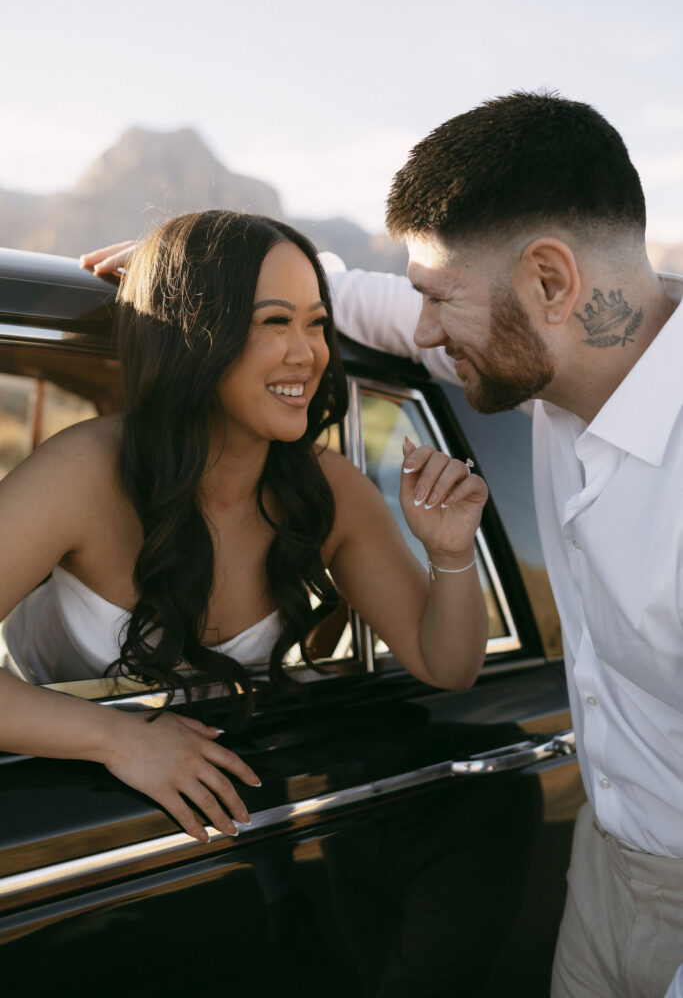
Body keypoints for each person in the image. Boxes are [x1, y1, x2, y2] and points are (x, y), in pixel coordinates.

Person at [292, 92, 683, 998]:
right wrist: (260, 274)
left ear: (550, 282)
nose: (423, 329)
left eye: (439, 297)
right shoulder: (549, 354)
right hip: (601, 868)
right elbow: (378, 307)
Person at [0, 209, 489, 846]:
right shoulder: (83, 473)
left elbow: (446, 665)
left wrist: (451, 554)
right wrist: (116, 737)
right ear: (195, 335)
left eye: (317, 324)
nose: (307, 353)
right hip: (56, 816)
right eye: (273, 322)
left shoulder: (329, 488)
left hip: (243, 827)